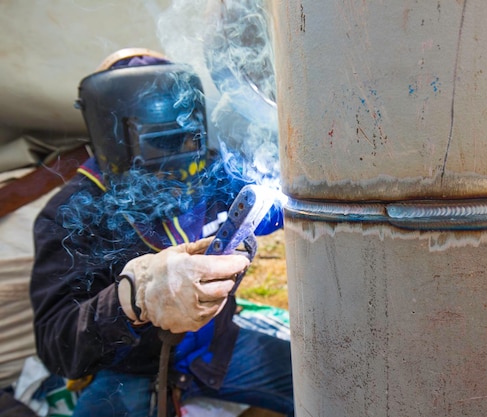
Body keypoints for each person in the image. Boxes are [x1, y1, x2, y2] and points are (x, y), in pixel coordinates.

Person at [29, 48, 293, 417]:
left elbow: (272, 207)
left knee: (333, 386)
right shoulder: (69, 214)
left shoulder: (213, 173)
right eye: (161, 144)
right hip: (132, 369)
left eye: (187, 140)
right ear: (115, 137)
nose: (179, 163)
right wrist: (132, 298)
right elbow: (57, 345)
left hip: (216, 349)